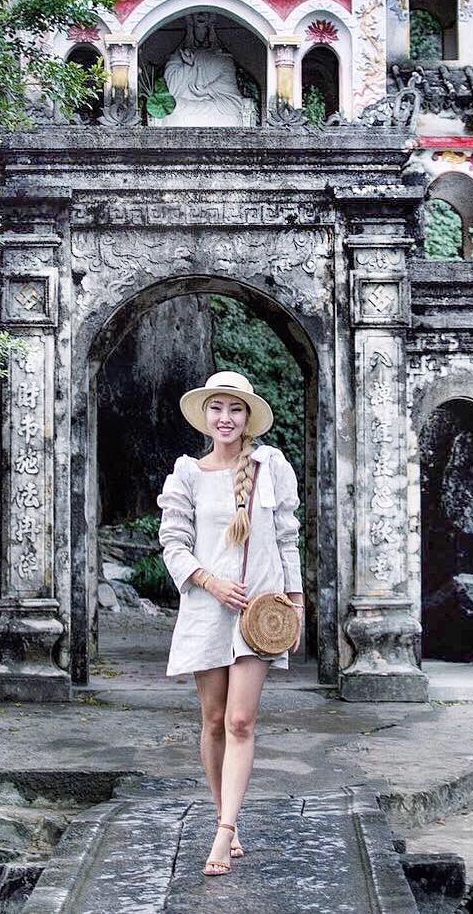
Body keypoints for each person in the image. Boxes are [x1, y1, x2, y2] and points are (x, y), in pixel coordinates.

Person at [156, 369, 304, 877]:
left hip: (261, 613)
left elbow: (287, 537)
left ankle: (222, 831)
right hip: (206, 609)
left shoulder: (271, 466)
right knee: (214, 721)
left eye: (235, 409)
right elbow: (172, 543)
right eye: (217, 408)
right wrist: (209, 581)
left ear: (248, 418)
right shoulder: (187, 474)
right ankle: (228, 815)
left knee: (242, 721)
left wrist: (296, 602)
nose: (226, 418)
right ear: (205, 415)